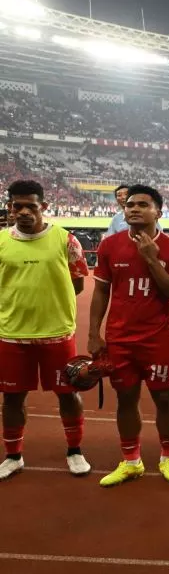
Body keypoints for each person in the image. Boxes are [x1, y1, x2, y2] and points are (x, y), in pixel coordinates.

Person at [87, 184, 169, 487]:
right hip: (119, 338)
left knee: (164, 398)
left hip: (156, 338)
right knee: (125, 399)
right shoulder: (109, 245)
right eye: (130, 204)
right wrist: (94, 333)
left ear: (158, 211)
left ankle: (168, 457)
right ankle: (131, 461)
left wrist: (150, 257)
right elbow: (101, 290)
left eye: (143, 204)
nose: (133, 209)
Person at [0, 179, 91, 481]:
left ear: (44, 207)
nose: (24, 212)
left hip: (57, 334)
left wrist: (50, 304)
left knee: (68, 393)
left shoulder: (66, 240)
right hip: (11, 334)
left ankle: (75, 451)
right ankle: (13, 456)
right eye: (17, 206)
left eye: (31, 206)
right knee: (12, 398)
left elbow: (77, 283)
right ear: (10, 208)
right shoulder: (1, 240)